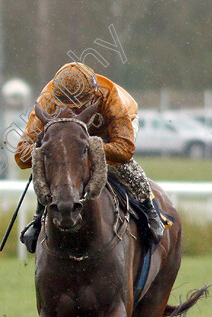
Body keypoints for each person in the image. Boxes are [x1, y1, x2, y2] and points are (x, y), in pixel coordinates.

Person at [15, 62, 165, 253]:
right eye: (65, 107)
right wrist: (49, 149)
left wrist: (91, 146)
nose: (72, 114)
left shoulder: (110, 97)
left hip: (111, 130)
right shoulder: (48, 100)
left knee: (118, 165)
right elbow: (21, 155)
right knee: (52, 164)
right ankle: (39, 218)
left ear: (93, 96)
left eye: (78, 108)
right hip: (70, 138)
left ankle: (148, 208)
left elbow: (125, 149)